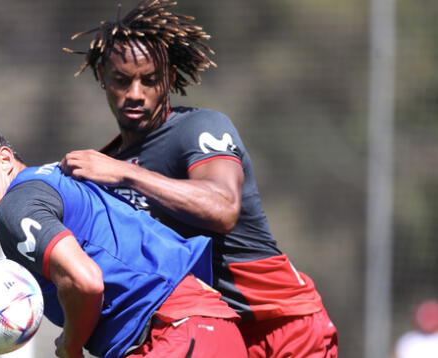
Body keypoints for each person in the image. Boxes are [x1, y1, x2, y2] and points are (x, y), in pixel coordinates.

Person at [60, 1, 338, 357]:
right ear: (102, 76)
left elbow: (223, 208)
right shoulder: (110, 164)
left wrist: (127, 175)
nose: (135, 93)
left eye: (150, 80)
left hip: (285, 327)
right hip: (216, 333)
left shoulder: (198, 128)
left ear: (170, 79)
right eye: (121, 79)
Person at [0, 123, 247, 358]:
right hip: (203, 327)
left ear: (4, 159)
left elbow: (85, 281)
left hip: (174, 336)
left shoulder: (15, 208)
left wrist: (70, 344)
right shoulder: (58, 179)